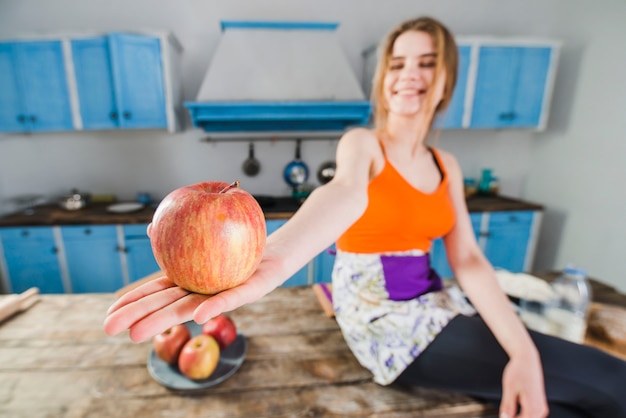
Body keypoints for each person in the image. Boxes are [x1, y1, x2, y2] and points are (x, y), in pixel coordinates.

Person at [104, 16, 626, 418]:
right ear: (384, 77)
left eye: (425, 62)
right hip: (388, 324)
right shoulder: (363, 143)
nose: (409, 75)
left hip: (436, 303)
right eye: (397, 63)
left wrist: (522, 353)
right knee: (607, 381)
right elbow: (346, 193)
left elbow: (468, 259)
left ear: (446, 77)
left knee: (554, 393)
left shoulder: (447, 165)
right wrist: (279, 254)